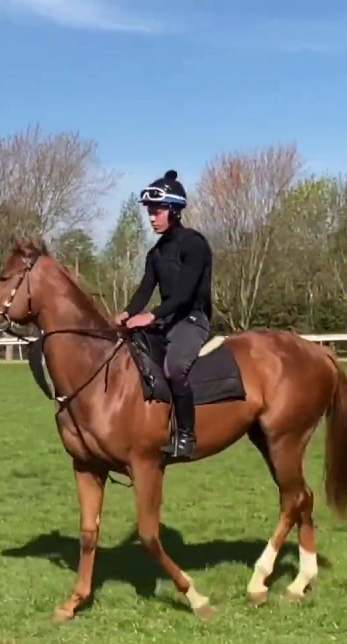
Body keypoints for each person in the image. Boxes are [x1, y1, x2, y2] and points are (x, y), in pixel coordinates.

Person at [113, 170, 214, 462]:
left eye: (156, 211)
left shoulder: (194, 245)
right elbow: (145, 290)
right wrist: (126, 313)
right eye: (150, 212)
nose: (152, 217)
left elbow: (184, 294)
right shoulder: (155, 253)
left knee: (174, 369)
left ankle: (186, 436)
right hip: (167, 321)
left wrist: (151, 316)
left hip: (192, 320)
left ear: (173, 210)